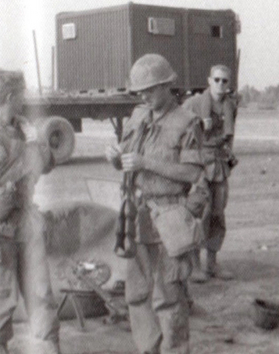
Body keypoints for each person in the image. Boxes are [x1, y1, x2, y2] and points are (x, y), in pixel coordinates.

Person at [105, 54, 206, 354]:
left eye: (150, 90)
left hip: (169, 215)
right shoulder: (137, 117)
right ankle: (148, 349)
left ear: (167, 85)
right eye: (140, 92)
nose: (144, 96)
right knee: (136, 293)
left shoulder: (187, 123)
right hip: (137, 216)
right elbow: (127, 161)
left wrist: (145, 162)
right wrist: (115, 157)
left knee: (168, 296)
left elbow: (193, 173)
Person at [0, 69, 60, 354]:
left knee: (41, 296)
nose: (24, 100)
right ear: (9, 97)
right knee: (1, 303)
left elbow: (47, 165)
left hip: (27, 226)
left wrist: (35, 140)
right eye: (21, 94)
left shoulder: (23, 130)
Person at [182, 64, 237, 283]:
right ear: (209, 80)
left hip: (219, 164)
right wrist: (197, 125)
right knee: (197, 214)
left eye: (225, 81)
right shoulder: (194, 103)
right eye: (217, 80)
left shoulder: (229, 105)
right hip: (199, 165)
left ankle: (212, 264)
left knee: (217, 214)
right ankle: (194, 265)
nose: (221, 84)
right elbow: (179, 127)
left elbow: (228, 135)